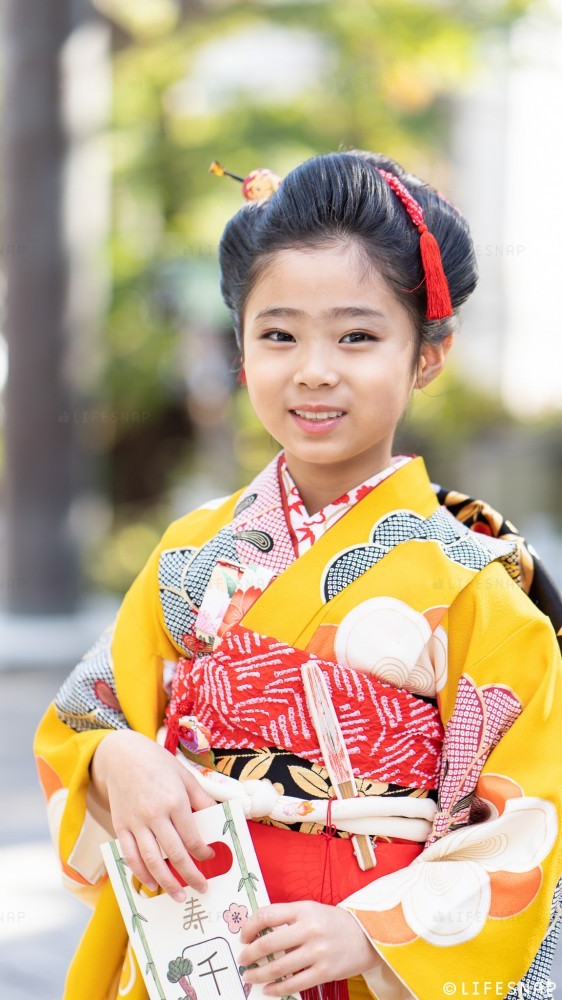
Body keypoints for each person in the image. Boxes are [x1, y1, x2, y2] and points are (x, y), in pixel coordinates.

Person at [34, 149, 562, 1000]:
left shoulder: (474, 584)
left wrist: (372, 931)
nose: (313, 369)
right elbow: (82, 720)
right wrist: (114, 761)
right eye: (278, 334)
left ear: (429, 352)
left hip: (354, 953)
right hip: (193, 935)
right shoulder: (191, 556)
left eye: (357, 335)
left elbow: (530, 819)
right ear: (241, 348)